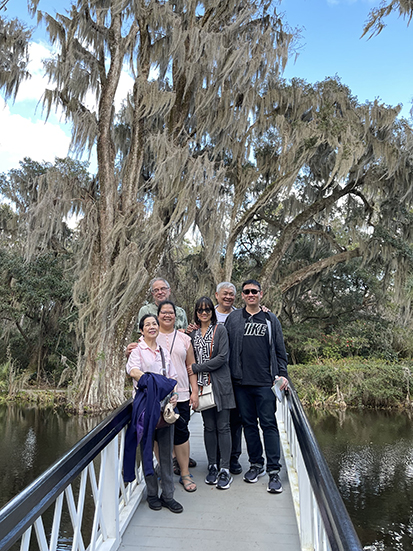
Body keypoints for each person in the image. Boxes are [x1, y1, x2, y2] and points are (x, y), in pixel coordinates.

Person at [225, 279, 289, 494]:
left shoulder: (271, 319)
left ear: (261, 294)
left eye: (254, 291)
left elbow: (280, 351)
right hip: (241, 383)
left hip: (265, 383)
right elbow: (222, 346)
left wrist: (282, 376)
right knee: (249, 425)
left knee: (269, 425)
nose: (251, 294)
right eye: (247, 292)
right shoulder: (234, 319)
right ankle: (256, 465)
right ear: (242, 296)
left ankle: (273, 471)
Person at [125, 314, 183, 513]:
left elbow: (172, 378)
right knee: (147, 451)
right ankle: (152, 494)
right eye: (147, 324)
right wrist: (152, 381)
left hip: (165, 409)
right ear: (141, 330)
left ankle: (168, 495)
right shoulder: (138, 350)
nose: (152, 327)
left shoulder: (164, 352)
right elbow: (132, 371)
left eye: (154, 324)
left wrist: (173, 395)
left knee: (166, 454)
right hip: (144, 410)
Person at [187, 296, 236, 490]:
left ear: (212, 312)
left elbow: (223, 358)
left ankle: (225, 469)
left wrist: (198, 367)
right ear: (196, 313)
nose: (204, 313)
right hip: (202, 386)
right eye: (200, 310)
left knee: (223, 426)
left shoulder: (220, 330)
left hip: (220, 384)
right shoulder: (193, 334)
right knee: (209, 427)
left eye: (207, 309)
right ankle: (213, 465)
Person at [156, 300, 198, 492]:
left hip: (180, 394)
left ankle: (184, 473)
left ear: (176, 315)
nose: (167, 315)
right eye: (163, 312)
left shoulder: (184, 339)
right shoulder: (150, 337)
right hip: (157, 397)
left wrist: (194, 391)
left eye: (170, 312)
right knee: (158, 435)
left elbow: (191, 367)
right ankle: (164, 471)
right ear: (158, 316)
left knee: (181, 434)